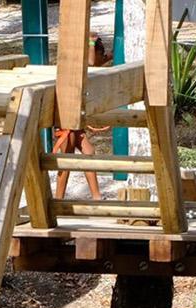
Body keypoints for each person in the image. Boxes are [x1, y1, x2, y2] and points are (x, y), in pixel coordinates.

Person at [53, 33, 112, 201]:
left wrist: (111, 54)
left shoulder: (84, 66)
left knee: (89, 152)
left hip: (75, 120)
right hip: (66, 119)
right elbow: (92, 62)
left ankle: (96, 197)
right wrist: (91, 42)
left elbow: (99, 61)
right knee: (67, 158)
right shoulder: (80, 65)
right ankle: (58, 199)